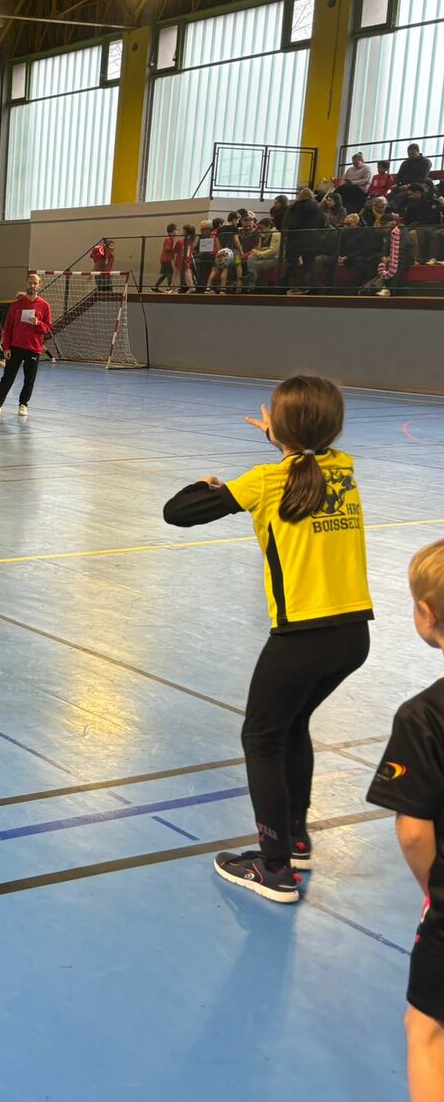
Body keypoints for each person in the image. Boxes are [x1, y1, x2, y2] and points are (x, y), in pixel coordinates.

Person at [162, 376, 371, 903]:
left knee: (261, 739)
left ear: (281, 427)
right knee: (293, 724)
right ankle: (296, 839)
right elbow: (307, 460)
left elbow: (177, 512)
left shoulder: (267, 481)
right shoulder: (343, 468)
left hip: (302, 638)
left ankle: (274, 867)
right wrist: (284, 438)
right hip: (353, 636)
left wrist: (205, 484)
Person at [366, 540, 444, 1102]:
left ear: (425, 613)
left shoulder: (424, 718)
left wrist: (432, 890)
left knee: (427, 1031)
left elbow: (414, 831)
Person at [0, 274, 51, 417]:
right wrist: (7, 347)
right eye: (30, 283)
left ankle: (23, 405)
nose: (32, 286)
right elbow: (8, 328)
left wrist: (38, 323)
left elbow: (47, 328)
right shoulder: (16, 305)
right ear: (26, 284)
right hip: (15, 348)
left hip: (33, 349)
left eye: (35, 283)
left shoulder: (44, 305)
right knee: (7, 377)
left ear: (39, 285)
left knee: (29, 379)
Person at [155, 224, 179, 291]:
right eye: (176, 230)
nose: (177, 232)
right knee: (169, 273)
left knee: (165, 274)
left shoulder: (171, 239)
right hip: (166, 259)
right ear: (172, 231)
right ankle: (168, 287)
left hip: (166, 259)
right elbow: (167, 248)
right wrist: (174, 247)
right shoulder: (169, 239)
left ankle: (155, 287)